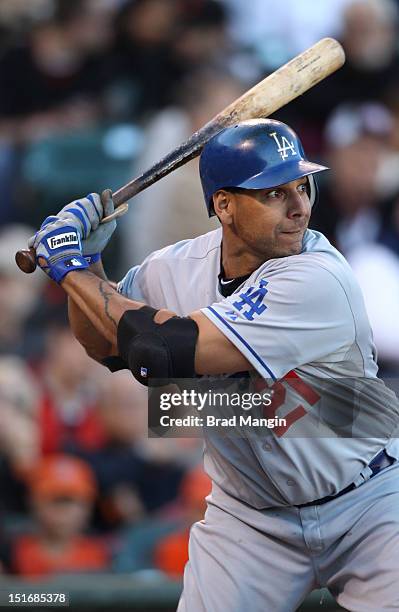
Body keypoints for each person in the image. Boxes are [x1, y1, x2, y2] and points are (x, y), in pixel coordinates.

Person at [27, 118, 399, 611]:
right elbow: (106, 345)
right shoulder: (175, 266)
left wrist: (70, 270)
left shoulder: (318, 277)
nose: (299, 207)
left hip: (367, 500)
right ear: (223, 205)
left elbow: (165, 350)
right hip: (251, 517)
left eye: (302, 186)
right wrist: (91, 266)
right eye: (273, 193)